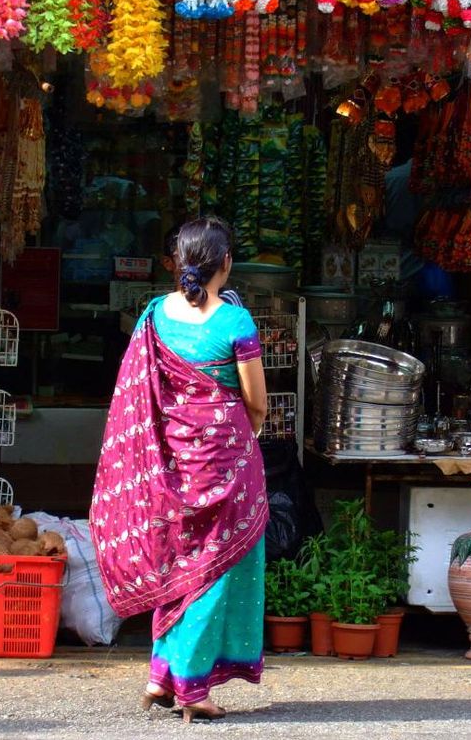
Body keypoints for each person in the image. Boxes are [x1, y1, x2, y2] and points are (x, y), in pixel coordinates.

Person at [90, 217, 268, 723]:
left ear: (179, 262)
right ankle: (191, 688)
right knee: (214, 568)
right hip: (226, 462)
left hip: (169, 465)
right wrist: (240, 429)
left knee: (179, 563)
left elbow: (138, 393)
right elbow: (256, 401)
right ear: (226, 262)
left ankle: (160, 675)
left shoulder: (155, 314)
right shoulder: (236, 324)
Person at [161, 223, 244, 307]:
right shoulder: (159, 307)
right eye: (185, 256)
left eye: (204, 254)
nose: (198, 261)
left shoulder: (228, 301)